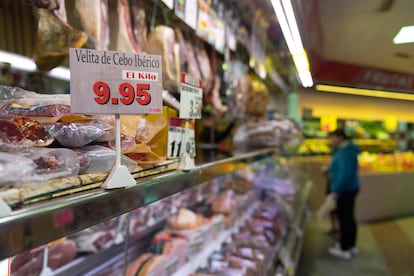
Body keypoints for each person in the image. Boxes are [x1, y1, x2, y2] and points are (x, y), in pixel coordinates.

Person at [327, 129, 360, 259]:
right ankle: (351, 246)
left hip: (344, 189)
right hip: (351, 187)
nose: (331, 141)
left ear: (340, 138)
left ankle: (344, 249)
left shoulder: (342, 152)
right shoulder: (349, 149)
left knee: (344, 219)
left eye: (332, 138)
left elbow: (344, 174)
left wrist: (336, 191)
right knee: (350, 218)